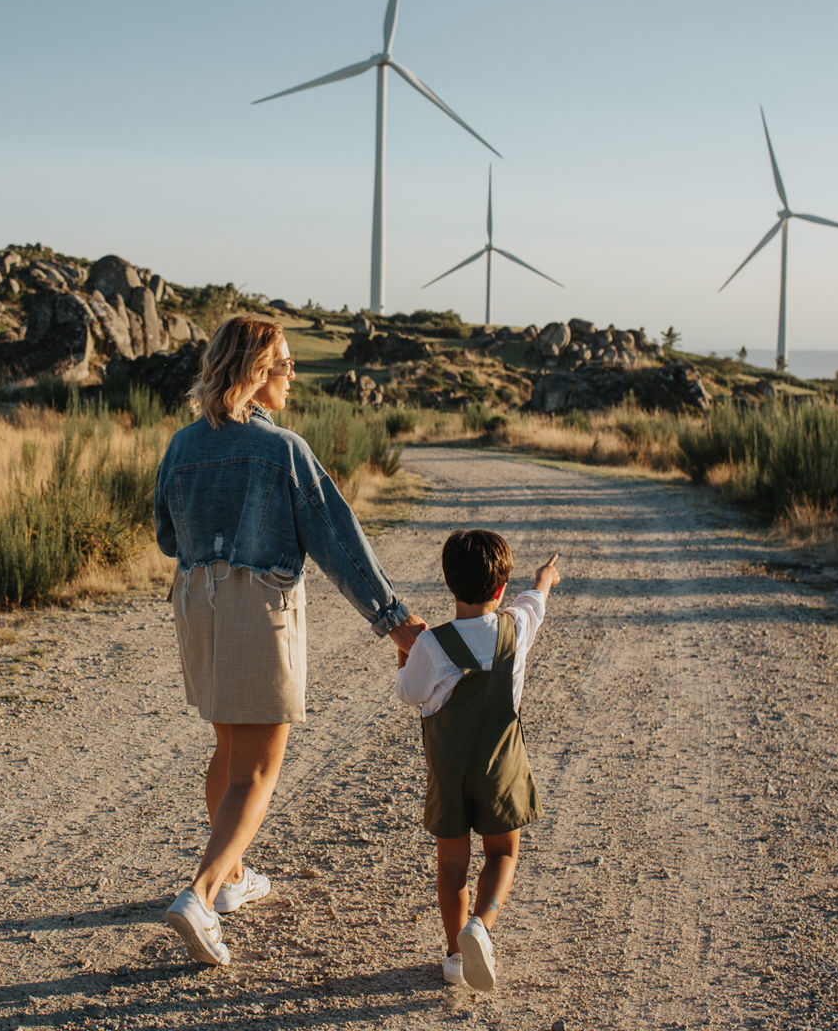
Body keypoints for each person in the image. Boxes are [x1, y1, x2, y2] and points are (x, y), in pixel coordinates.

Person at [154, 314, 428, 967]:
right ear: (254, 373)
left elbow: (166, 537)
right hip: (257, 605)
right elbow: (338, 541)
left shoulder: (181, 447)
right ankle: (200, 893)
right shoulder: (283, 451)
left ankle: (235, 876)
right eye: (284, 365)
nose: (293, 375)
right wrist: (394, 618)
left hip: (197, 602)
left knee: (228, 747)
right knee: (259, 769)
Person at [394, 530, 559, 991]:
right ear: (501, 589)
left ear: (449, 585)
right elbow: (537, 599)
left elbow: (409, 692)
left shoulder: (431, 645)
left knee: (451, 864)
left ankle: (452, 956)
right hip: (501, 768)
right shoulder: (517, 626)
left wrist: (404, 652)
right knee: (503, 852)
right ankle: (480, 927)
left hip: (449, 771)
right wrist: (545, 577)